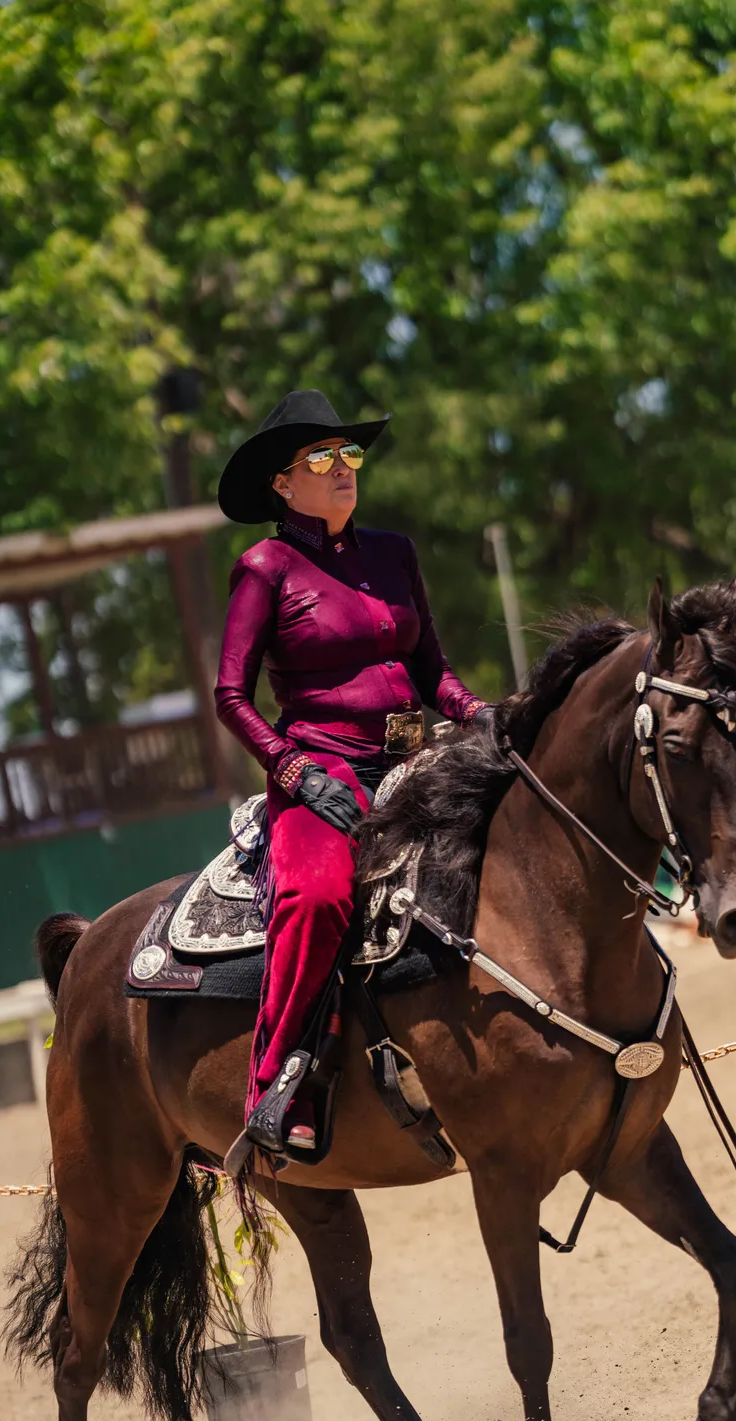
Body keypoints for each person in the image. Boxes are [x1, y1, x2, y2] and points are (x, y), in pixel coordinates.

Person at [214, 389, 492, 1152]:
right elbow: (230, 695)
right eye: (323, 458)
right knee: (316, 896)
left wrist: (479, 714)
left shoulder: (395, 553)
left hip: (413, 760)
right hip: (321, 773)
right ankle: (279, 1085)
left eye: (350, 454)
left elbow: (434, 670)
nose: (343, 470)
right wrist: (296, 774)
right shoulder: (264, 566)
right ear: (283, 483)